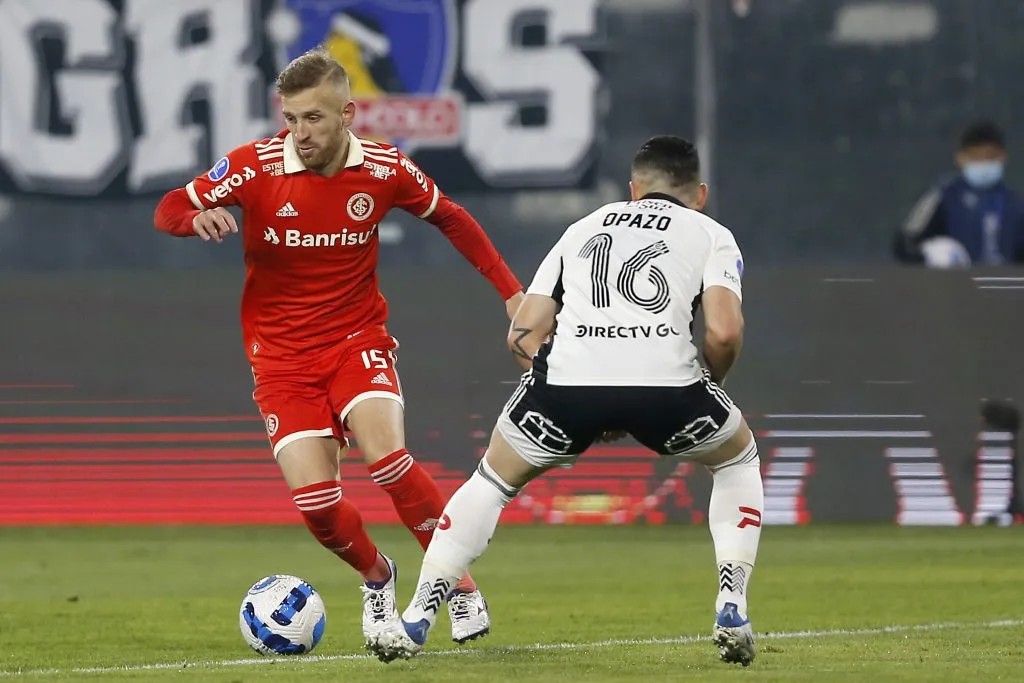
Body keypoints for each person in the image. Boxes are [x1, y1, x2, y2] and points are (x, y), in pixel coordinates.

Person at [152, 47, 524, 648]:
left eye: (314, 119)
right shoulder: (252, 166)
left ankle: (459, 588)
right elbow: (170, 206)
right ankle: (379, 579)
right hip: (279, 359)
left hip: (356, 339)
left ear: (347, 113)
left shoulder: (383, 169)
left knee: (388, 459)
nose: (299, 133)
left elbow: (451, 217)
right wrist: (194, 218)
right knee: (318, 507)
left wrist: (513, 294)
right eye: (291, 118)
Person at [369, 136, 763, 666]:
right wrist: (707, 383)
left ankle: (416, 618)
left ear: (633, 189)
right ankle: (731, 604)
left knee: (491, 480)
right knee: (736, 457)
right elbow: (722, 331)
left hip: (566, 387)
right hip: (670, 390)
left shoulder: (584, 228)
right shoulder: (711, 233)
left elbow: (522, 332)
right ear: (701, 194)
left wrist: (576, 381)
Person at [894, 120, 1024, 267]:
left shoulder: (1016, 203)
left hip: (1005, 286)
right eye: (975, 157)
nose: (982, 163)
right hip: (954, 286)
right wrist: (929, 257)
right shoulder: (942, 195)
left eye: (989, 156)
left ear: (1003, 157)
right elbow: (905, 243)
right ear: (960, 158)